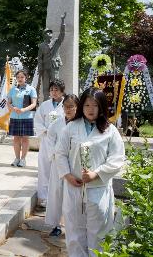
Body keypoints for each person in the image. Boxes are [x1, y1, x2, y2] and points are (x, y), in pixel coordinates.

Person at [55, 87, 125, 257]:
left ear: (102, 106)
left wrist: (97, 173)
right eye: (86, 105)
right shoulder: (71, 127)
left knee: (98, 233)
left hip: (98, 189)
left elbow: (117, 158)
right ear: (81, 107)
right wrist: (68, 175)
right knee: (74, 232)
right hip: (74, 188)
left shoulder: (110, 130)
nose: (90, 109)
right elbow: (60, 153)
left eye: (95, 105)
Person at [45, 94, 79, 237]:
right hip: (58, 164)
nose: (68, 109)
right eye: (66, 106)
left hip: (75, 164)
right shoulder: (57, 123)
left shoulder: (81, 124)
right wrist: (54, 155)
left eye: (71, 106)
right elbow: (50, 139)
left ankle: (75, 225)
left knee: (73, 194)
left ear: (77, 107)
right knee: (56, 193)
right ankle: (56, 224)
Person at [34, 80, 65, 208]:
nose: (53, 92)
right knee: (44, 168)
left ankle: (60, 196)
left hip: (61, 141)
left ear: (62, 91)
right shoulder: (45, 105)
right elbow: (38, 120)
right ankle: (44, 197)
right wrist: (45, 130)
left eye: (56, 89)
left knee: (60, 168)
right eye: (52, 89)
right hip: (46, 140)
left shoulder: (66, 104)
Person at [7, 69, 37, 167]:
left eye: (22, 77)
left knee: (25, 139)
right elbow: (8, 103)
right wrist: (13, 108)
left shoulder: (31, 89)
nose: (20, 79)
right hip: (15, 117)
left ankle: (23, 159)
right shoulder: (12, 89)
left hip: (27, 117)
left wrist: (23, 110)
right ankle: (17, 158)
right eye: (18, 77)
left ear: (26, 78)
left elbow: (34, 104)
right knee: (16, 139)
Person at [37, 13, 66, 101]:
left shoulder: (56, 42)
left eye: (50, 32)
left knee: (56, 85)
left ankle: (57, 100)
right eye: (47, 32)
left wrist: (62, 21)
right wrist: (40, 69)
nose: (49, 33)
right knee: (45, 86)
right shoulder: (41, 45)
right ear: (44, 35)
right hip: (45, 68)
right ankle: (46, 101)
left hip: (54, 66)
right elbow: (40, 58)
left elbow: (62, 34)